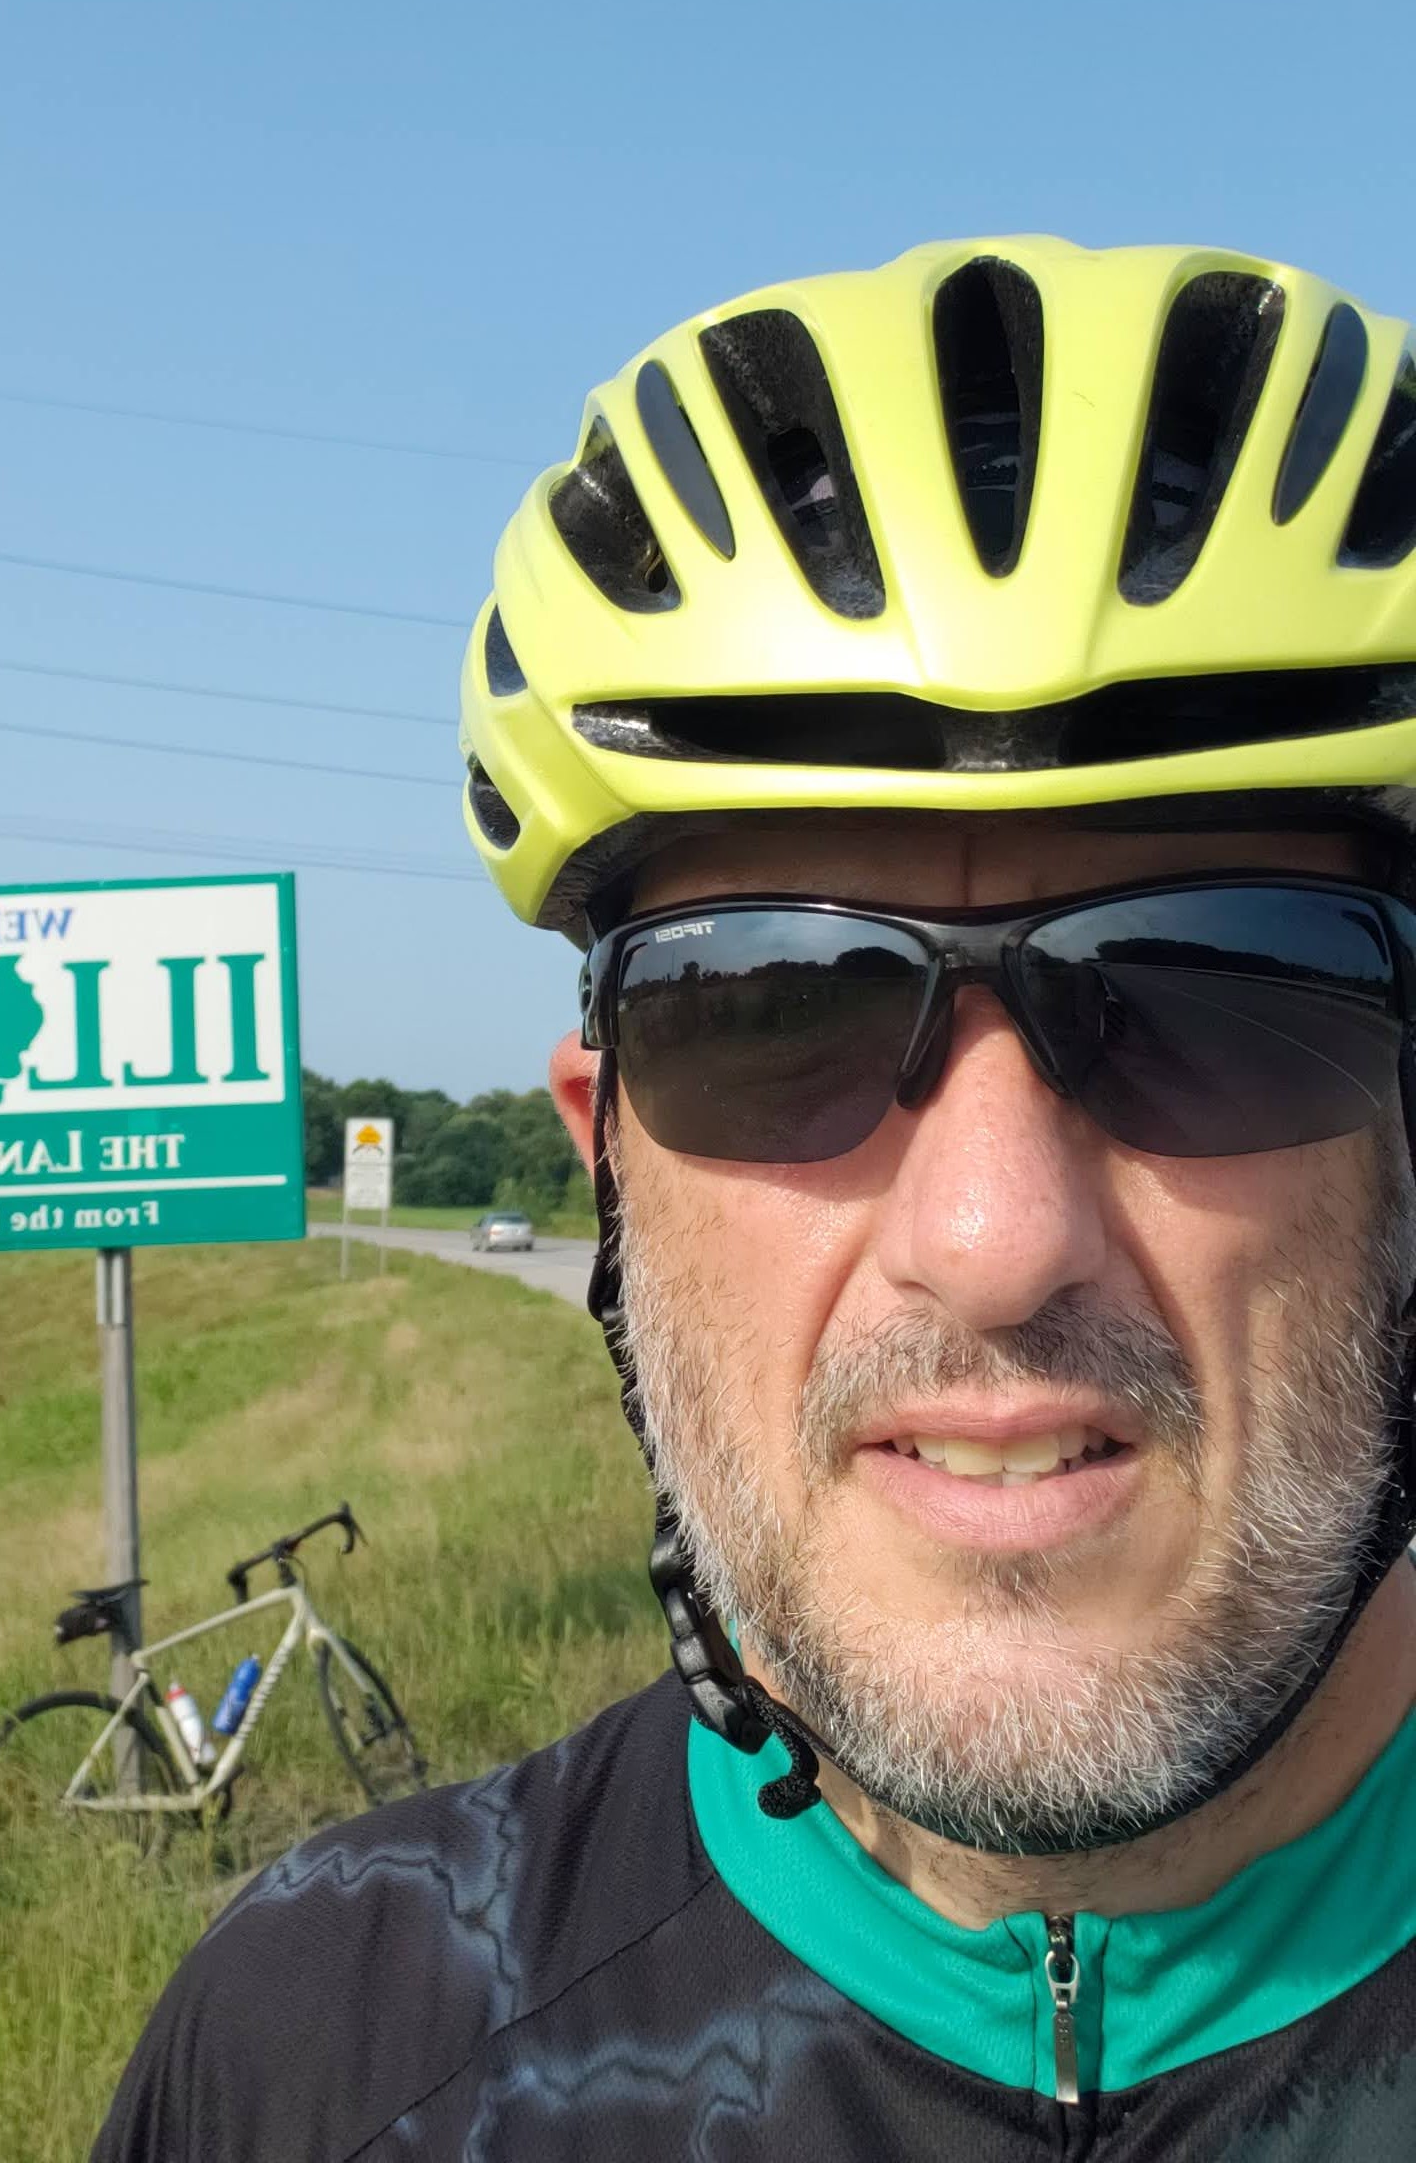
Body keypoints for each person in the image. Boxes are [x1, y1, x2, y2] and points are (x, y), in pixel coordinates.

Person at [94, 236, 1416, 2158]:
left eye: (1212, 992)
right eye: (774, 1015)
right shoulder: (326, 2056)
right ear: (607, 1158)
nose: (991, 1238)